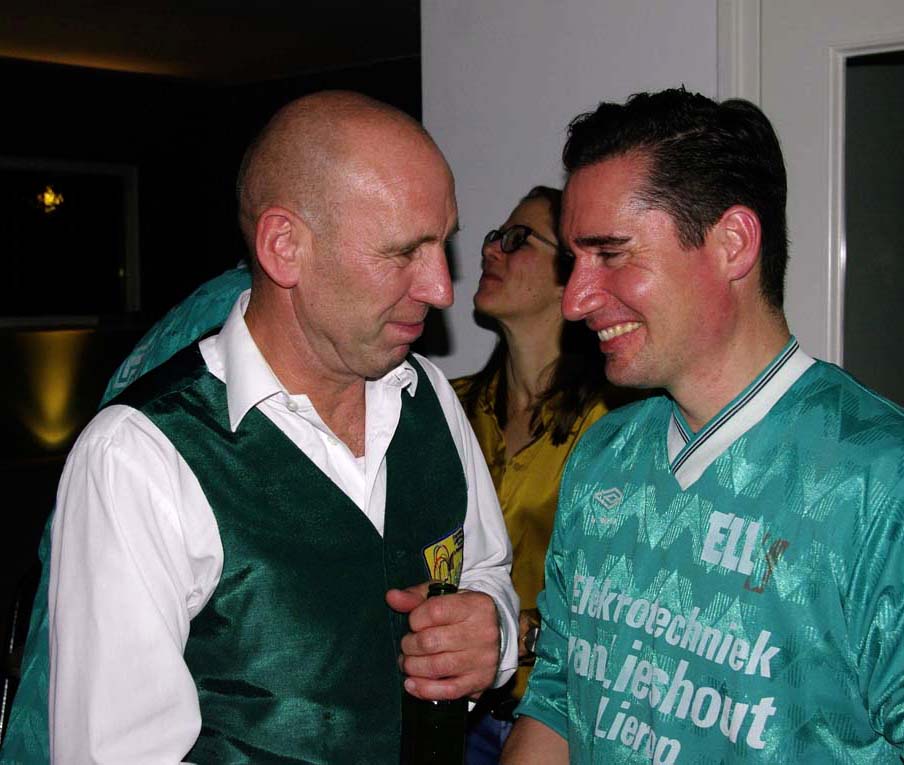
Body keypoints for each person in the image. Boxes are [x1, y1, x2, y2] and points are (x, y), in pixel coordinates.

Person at [46, 91, 519, 764]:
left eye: (443, 243)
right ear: (284, 246)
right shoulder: (140, 454)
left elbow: (485, 570)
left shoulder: (430, 396)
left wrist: (492, 629)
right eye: (402, 252)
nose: (442, 288)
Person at [502, 88, 904, 763]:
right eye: (575, 262)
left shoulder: (879, 482)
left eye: (612, 253)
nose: (574, 300)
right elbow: (558, 699)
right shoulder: (603, 454)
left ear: (732, 244)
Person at [451, 186, 610, 763]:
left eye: (518, 240)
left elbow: (621, 601)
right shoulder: (446, 408)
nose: (490, 249)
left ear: (570, 275)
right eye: (496, 235)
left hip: (555, 724)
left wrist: (517, 633)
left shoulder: (613, 428)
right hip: (448, 715)